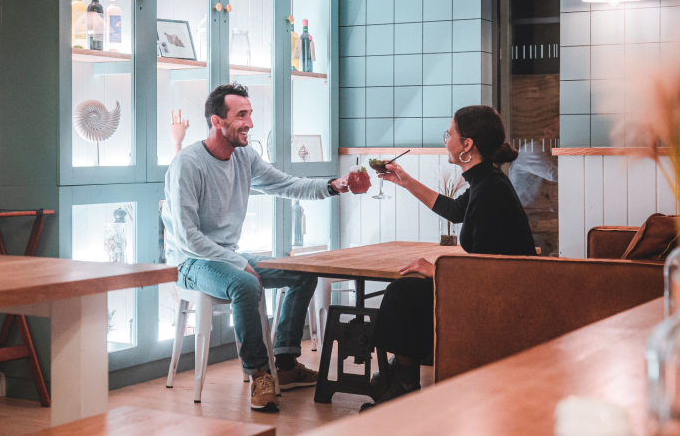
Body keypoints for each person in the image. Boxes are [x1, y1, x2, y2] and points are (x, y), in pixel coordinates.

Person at [162, 83, 354, 412]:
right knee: (246, 282)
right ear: (217, 122)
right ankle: (259, 374)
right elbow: (187, 237)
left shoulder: (245, 156)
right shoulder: (188, 164)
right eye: (241, 115)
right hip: (191, 262)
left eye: (250, 114)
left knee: (302, 273)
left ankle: (285, 362)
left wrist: (334, 186)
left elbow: (286, 184)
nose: (250, 122)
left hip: (225, 255)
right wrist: (237, 262)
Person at [366, 105, 536, 408]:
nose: (446, 140)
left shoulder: (490, 189)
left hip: (503, 292)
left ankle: (402, 379)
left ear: (467, 145)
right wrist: (405, 180)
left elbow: (484, 265)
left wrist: (437, 270)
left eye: (450, 134)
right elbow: (455, 211)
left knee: (403, 292)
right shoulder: (486, 182)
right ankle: (401, 373)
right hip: (500, 284)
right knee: (409, 289)